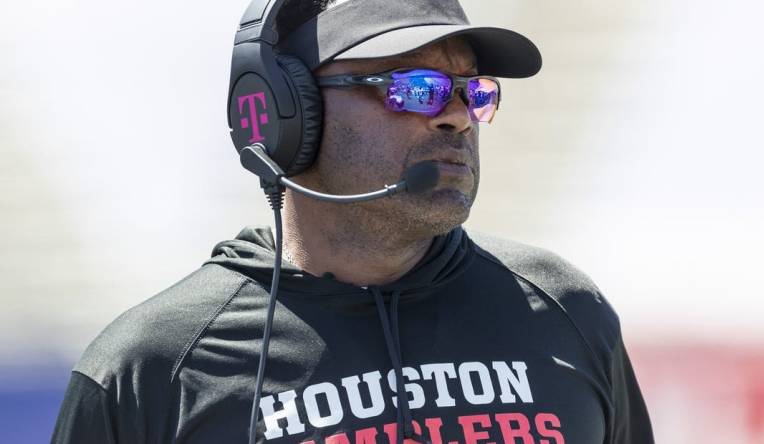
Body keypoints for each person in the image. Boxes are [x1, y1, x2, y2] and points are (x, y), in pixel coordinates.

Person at [51, 0, 654, 443]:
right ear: (290, 116)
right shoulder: (150, 369)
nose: (457, 119)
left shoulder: (566, 310)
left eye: (472, 92)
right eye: (415, 88)